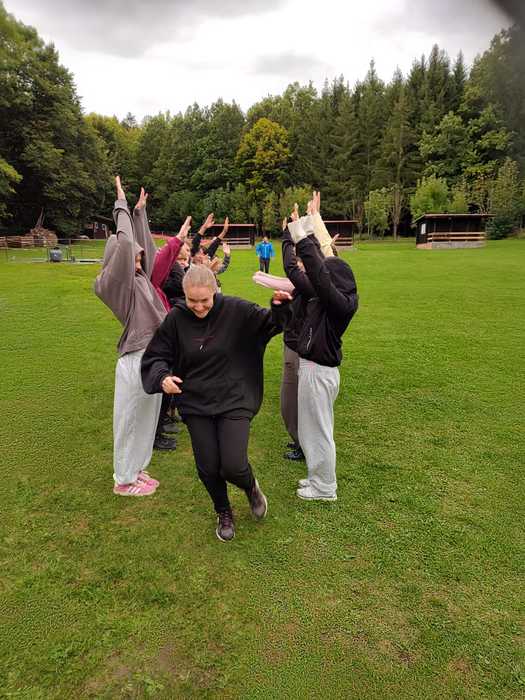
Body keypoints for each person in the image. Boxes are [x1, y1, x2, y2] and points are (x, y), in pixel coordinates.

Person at [141, 264, 286, 541]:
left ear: (215, 291)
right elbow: (156, 355)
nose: (198, 307)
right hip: (196, 401)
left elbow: (272, 323)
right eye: (192, 301)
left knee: (233, 464)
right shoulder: (176, 319)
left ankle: (250, 487)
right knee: (207, 466)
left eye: (204, 300)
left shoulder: (236, 310)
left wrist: (279, 306)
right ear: (184, 294)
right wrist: (162, 377)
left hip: (234, 396)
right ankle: (223, 510)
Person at [272, 195, 358, 501]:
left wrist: (299, 233)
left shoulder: (337, 303)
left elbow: (319, 272)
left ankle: (324, 487)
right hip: (317, 370)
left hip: (319, 372)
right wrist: (308, 224)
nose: (320, 279)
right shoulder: (332, 299)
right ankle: (317, 479)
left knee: (318, 431)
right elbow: (317, 269)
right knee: (312, 429)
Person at [94, 176, 169, 496]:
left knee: (147, 419)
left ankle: (136, 469)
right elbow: (126, 245)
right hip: (136, 359)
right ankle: (124, 480)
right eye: (134, 258)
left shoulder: (139, 278)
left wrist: (139, 213)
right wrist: (121, 204)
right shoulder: (116, 286)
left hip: (153, 358)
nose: (139, 261)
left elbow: (142, 248)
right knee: (130, 421)